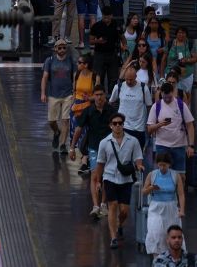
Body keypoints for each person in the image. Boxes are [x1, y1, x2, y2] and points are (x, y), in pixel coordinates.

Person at [96, 112, 144, 249]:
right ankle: (113, 237)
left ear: (123, 125)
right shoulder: (104, 143)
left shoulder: (133, 141)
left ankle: (119, 224)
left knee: (124, 210)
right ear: (110, 126)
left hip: (126, 179)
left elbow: (138, 157)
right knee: (113, 205)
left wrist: (139, 165)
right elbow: (100, 164)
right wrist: (98, 181)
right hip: (110, 177)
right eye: (115, 124)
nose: (118, 126)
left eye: (120, 123)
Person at [70, 85, 116, 219]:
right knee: (95, 176)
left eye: (101, 94)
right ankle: (95, 206)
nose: (99, 97)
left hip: (109, 149)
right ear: (93, 96)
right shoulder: (88, 111)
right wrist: (72, 148)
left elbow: (118, 128)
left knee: (106, 177)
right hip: (94, 147)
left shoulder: (111, 111)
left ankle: (103, 204)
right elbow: (79, 129)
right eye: (96, 95)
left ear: (105, 96)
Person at [147, 82, 196, 179]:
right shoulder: (156, 106)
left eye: (169, 97)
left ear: (173, 92)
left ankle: (180, 194)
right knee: (162, 175)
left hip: (179, 146)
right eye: (165, 97)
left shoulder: (181, 105)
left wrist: (191, 145)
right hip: (162, 146)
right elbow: (149, 129)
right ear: (161, 93)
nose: (167, 99)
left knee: (181, 176)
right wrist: (160, 124)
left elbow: (190, 125)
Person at [143, 152, 186, 257]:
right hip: (156, 207)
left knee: (171, 233)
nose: (162, 167)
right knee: (155, 232)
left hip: (171, 207)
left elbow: (181, 194)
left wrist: (182, 210)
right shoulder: (152, 175)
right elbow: (144, 191)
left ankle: (173, 258)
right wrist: (152, 187)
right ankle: (157, 259)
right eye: (160, 164)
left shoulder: (175, 175)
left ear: (169, 164)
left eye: (164, 165)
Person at [41, 40, 77, 153]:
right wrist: (43, 93)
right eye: (60, 48)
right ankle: (57, 132)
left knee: (65, 120)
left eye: (64, 48)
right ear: (55, 49)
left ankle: (62, 145)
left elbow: (75, 77)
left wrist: (74, 91)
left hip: (68, 94)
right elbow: (45, 77)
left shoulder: (71, 61)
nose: (62, 50)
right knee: (51, 121)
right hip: (53, 94)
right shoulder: (50, 61)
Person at [111, 65, 153, 151]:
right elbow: (111, 102)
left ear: (136, 77)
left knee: (138, 153)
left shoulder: (143, 88)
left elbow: (149, 106)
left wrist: (149, 123)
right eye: (127, 79)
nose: (129, 81)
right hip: (123, 127)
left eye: (131, 79)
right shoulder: (118, 87)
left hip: (139, 128)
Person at [72, 54, 99, 175]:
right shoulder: (76, 75)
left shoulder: (94, 76)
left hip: (88, 107)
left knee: (86, 133)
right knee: (76, 132)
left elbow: (98, 94)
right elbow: (74, 91)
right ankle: (83, 158)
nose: (77, 64)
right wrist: (73, 103)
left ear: (86, 65)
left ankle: (85, 160)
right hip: (77, 107)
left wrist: (90, 98)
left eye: (80, 62)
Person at [90, 6, 123, 94]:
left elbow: (122, 37)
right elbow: (91, 40)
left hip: (112, 53)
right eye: (104, 17)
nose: (106, 19)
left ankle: (111, 98)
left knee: (113, 78)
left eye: (108, 17)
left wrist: (124, 45)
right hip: (99, 53)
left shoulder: (116, 25)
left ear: (111, 16)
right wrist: (98, 41)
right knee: (98, 77)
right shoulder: (97, 26)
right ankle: (100, 96)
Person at [165, 26, 197, 98]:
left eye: (183, 33)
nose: (181, 34)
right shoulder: (171, 43)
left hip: (186, 75)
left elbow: (195, 59)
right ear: (176, 34)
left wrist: (187, 60)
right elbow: (164, 59)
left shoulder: (190, 44)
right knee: (171, 94)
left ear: (186, 34)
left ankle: (186, 108)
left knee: (186, 94)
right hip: (171, 74)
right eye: (179, 32)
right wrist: (161, 75)